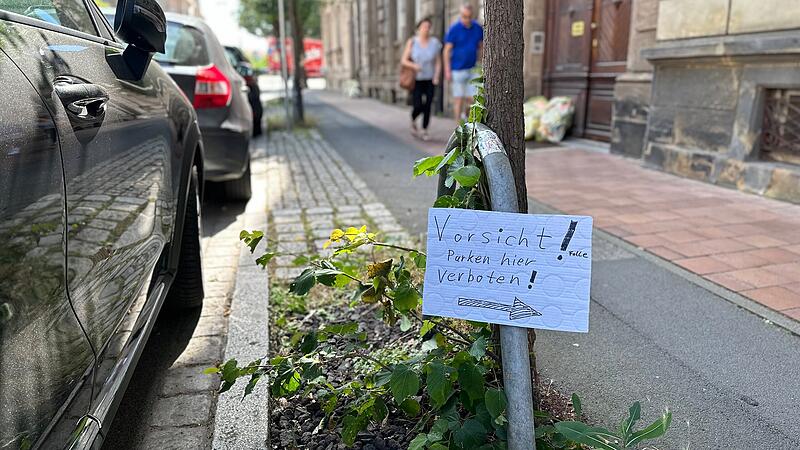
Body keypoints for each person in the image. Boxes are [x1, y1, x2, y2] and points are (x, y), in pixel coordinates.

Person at [401, 17, 442, 141]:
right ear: (418, 29)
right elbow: (403, 60)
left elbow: (438, 62)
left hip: (430, 78)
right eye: (424, 27)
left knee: (428, 104)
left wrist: (436, 76)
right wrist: (414, 66)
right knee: (418, 104)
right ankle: (413, 118)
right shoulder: (412, 42)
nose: (426, 29)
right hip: (416, 79)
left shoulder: (435, 43)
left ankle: (424, 129)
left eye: (428, 27)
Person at [444, 4, 483, 121]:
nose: (467, 19)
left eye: (469, 17)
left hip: (473, 69)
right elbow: (446, 51)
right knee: (458, 99)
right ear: (461, 16)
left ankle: (468, 122)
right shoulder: (454, 29)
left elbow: (482, 47)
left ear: (472, 16)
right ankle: (457, 126)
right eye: (464, 17)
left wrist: (481, 64)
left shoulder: (477, 28)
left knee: (472, 99)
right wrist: (447, 70)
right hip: (457, 69)